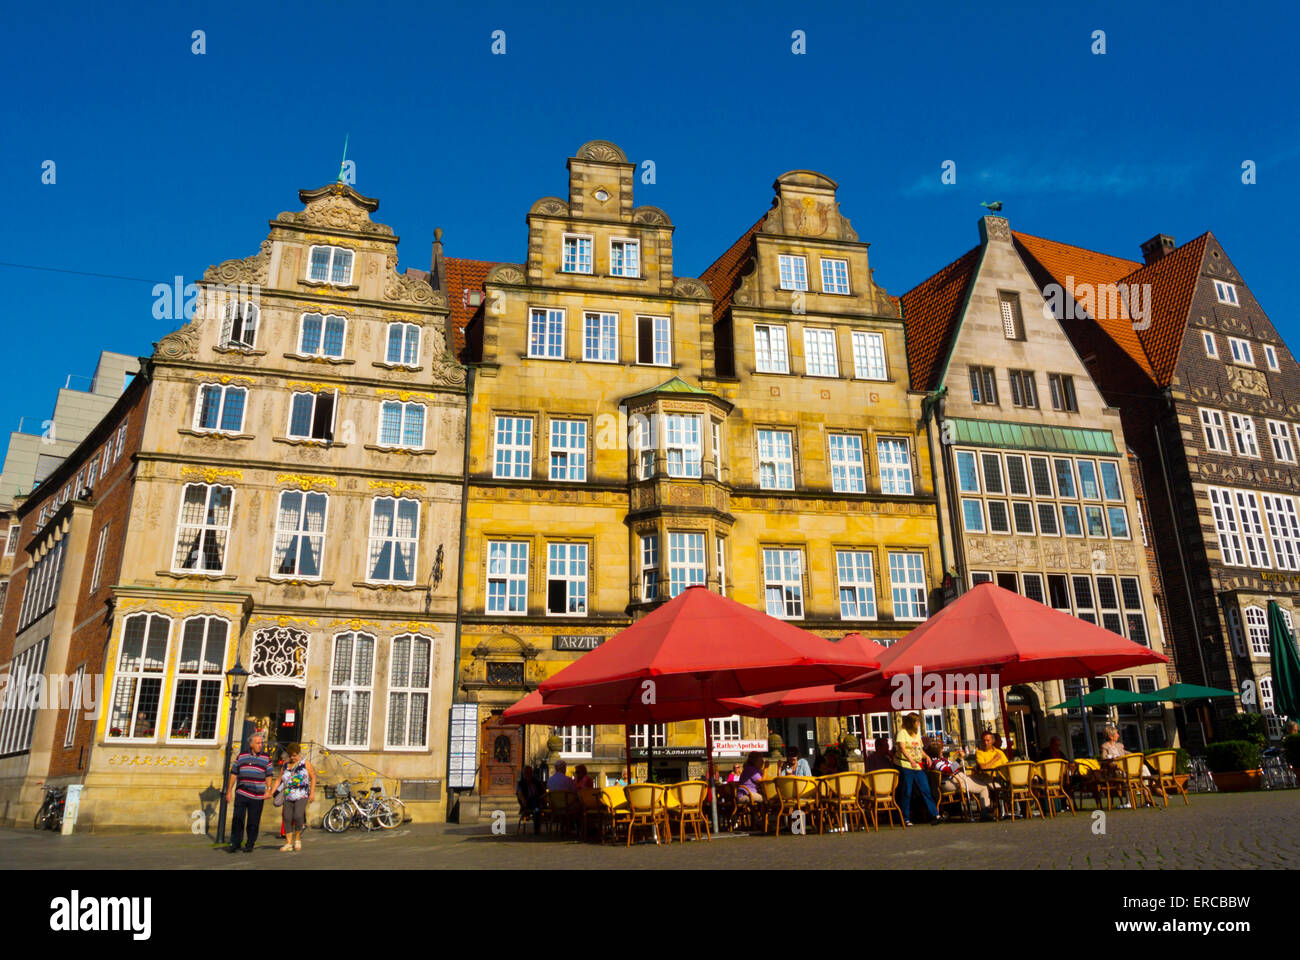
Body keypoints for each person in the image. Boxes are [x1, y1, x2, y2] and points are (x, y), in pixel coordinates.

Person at [226, 731, 275, 853]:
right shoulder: (241, 756)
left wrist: (268, 790)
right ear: (251, 744)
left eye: (261, 743)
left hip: (258, 795)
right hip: (242, 793)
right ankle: (235, 842)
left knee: (253, 821)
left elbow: (269, 775)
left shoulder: (266, 758)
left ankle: (250, 843)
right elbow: (234, 774)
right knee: (238, 819)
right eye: (258, 743)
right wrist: (229, 791)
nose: (260, 745)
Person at [925, 741, 994, 821]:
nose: (942, 751)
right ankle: (984, 811)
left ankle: (986, 807)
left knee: (980, 780)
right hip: (950, 781)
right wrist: (959, 759)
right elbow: (949, 770)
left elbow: (953, 767)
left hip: (956, 777)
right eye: (941, 749)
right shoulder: (937, 762)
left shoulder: (942, 759)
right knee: (983, 787)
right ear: (937, 751)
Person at [895, 713, 940, 825]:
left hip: (917, 766)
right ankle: (905, 818)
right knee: (907, 792)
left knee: (925, 789)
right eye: (917, 722)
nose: (919, 724)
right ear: (912, 722)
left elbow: (919, 749)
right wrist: (910, 760)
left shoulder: (916, 734)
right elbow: (902, 748)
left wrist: (926, 756)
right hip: (906, 765)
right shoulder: (902, 733)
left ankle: (935, 814)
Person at [275, 743, 315, 852]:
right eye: (291, 756)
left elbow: (313, 777)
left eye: (294, 755)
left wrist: (312, 792)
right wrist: (271, 791)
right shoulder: (286, 765)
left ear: (298, 753)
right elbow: (279, 779)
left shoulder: (305, 763)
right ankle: (288, 843)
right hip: (288, 795)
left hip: (302, 794)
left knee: (298, 815)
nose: (293, 758)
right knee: (287, 817)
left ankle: (297, 839)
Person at [516, 766, 542, 832]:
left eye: (529, 773)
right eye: (526, 773)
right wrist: (523, 801)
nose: (528, 774)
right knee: (536, 807)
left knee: (536, 808)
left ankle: (537, 828)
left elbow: (542, 792)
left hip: (537, 802)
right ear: (523, 773)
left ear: (532, 773)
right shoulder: (520, 783)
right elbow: (520, 794)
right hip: (527, 803)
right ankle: (537, 828)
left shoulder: (536, 782)